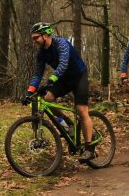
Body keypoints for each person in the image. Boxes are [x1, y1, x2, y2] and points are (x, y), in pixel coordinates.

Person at [22, 22, 95, 162]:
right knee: (46, 100)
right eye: (33, 38)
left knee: (81, 109)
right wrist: (29, 92)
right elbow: (37, 74)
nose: (34, 41)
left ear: (45, 35)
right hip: (63, 80)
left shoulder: (62, 44)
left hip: (79, 77)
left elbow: (63, 64)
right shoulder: (41, 53)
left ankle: (89, 148)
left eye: (36, 38)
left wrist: (50, 80)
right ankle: (67, 123)